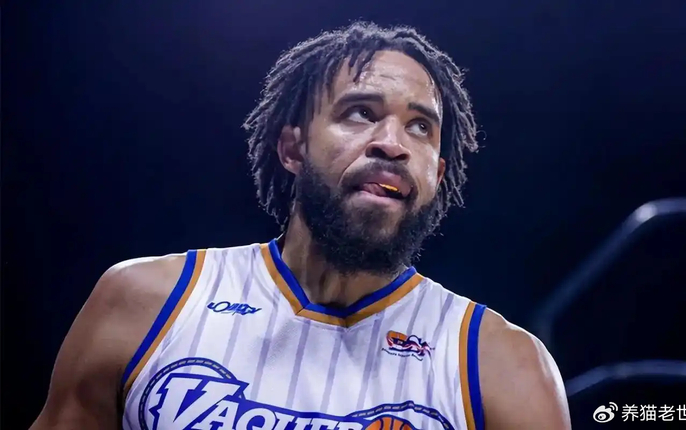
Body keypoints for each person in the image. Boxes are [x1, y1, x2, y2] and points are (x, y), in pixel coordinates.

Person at [31, 21, 570, 430]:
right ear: (293, 148)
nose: (392, 143)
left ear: (438, 175)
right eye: (361, 113)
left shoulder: (503, 365)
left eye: (420, 127)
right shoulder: (146, 300)